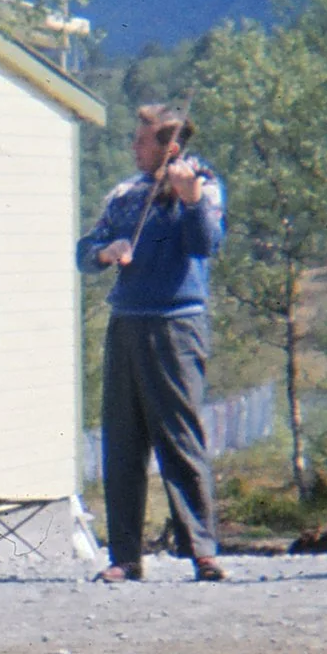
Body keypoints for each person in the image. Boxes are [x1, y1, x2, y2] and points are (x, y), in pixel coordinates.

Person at [76, 104, 228, 583]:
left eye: (142, 141)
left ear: (171, 147)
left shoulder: (202, 186)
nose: (134, 148)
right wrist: (105, 252)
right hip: (127, 321)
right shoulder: (126, 194)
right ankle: (124, 557)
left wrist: (190, 200)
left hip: (176, 325)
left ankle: (202, 550)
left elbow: (205, 244)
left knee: (181, 437)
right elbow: (85, 251)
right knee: (123, 441)